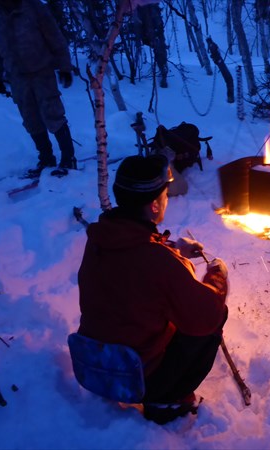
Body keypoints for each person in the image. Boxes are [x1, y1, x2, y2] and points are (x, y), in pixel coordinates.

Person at [77, 155, 229, 424]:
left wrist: (173, 251)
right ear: (155, 205)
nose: (167, 199)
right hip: (136, 375)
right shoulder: (157, 262)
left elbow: (133, 264)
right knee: (213, 316)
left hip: (95, 363)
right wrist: (217, 276)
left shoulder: (100, 240)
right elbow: (206, 317)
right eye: (165, 195)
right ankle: (167, 400)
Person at [0, 0, 77, 177]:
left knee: (53, 114)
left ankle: (68, 159)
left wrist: (65, 66)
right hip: (17, 76)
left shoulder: (33, 7)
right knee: (31, 119)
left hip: (42, 71)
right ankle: (46, 158)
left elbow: (55, 37)